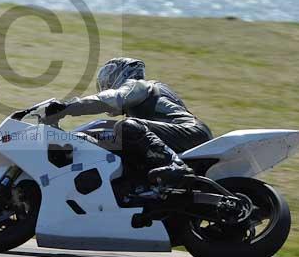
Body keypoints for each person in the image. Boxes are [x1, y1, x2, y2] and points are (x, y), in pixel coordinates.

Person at [43, 57, 213, 186]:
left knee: (126, 127)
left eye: (109, 81)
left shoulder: (139, 85)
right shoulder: (141, 101)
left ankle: (176, 166)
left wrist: (67, 107)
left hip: (191, 132)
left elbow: (113, 98)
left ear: (120, 75)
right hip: (181, 135)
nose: (107, 86)